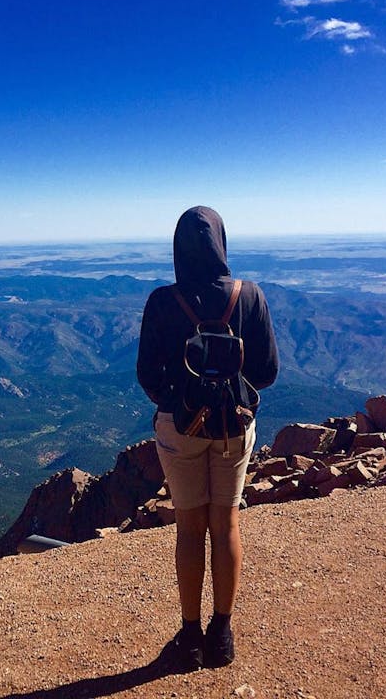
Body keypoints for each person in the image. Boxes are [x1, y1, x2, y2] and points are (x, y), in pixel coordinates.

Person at [137, 205, 278, 671]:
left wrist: (181, 402)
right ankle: (223, 633)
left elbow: (148, 375)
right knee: (227, 525)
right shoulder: (250, 296)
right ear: (222, 241)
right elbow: (268, 373)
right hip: (234, 430)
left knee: (189, 529)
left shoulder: (162, 301)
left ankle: (191, 635)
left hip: (180, 430)